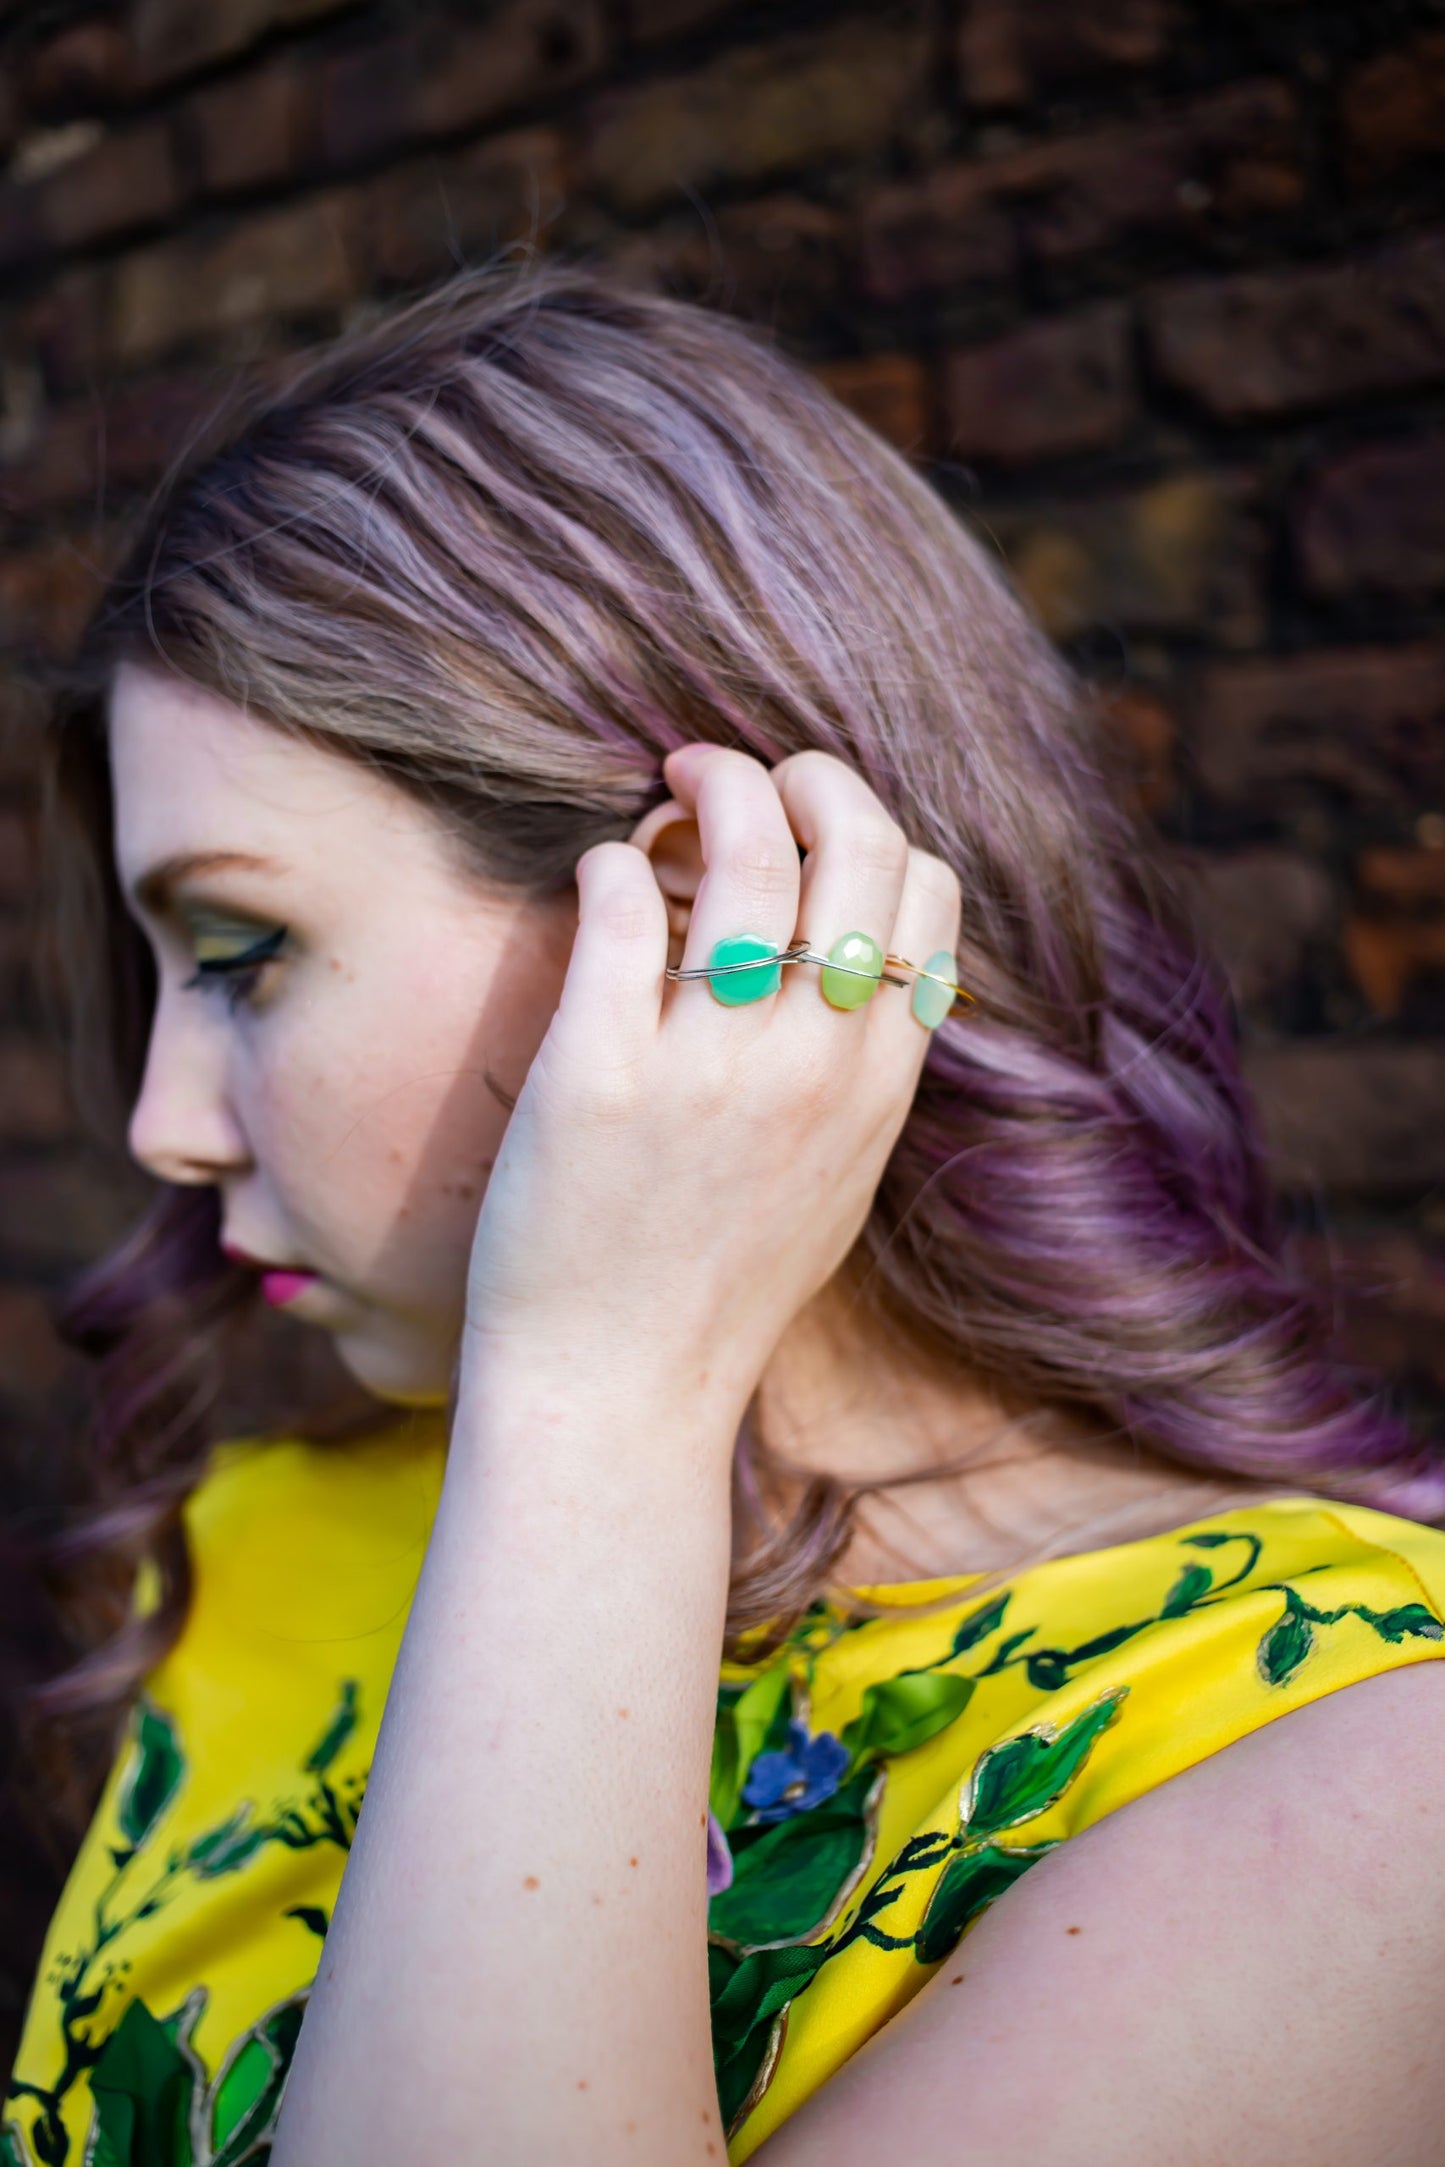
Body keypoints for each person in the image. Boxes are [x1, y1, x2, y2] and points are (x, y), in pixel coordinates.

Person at [7, 259, 1445, 2167]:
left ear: (698, 910)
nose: (167, 1129)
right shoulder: (264, 1551)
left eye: (248, 950)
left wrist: (604, 1400)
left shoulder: (1349, 1766)